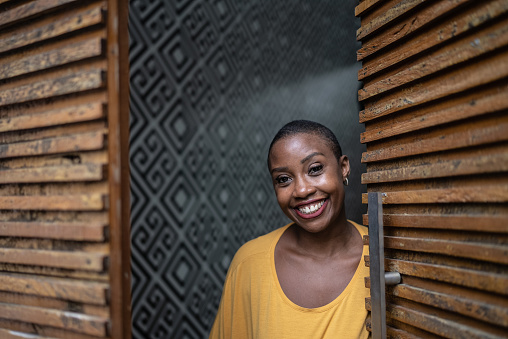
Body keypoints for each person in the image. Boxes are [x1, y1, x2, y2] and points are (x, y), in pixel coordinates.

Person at [209, 120, 369, 339]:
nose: (301, 190)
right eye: (284, 179)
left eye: (314, 169)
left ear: (343, 168)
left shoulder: (381, 256)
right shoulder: (249, 264)